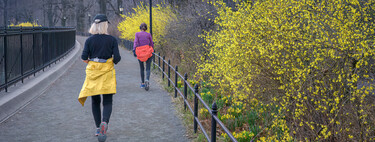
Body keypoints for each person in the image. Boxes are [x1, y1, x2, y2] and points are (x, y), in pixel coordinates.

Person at [78, 14, 121, 142]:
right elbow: (117, 59)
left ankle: (98, 127)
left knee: (95, 101)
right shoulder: (112, 40)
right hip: (107, 72)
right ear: (105, 25)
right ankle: (105, 123)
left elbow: (84, 57)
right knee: (107, 101)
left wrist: (92, 63)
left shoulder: (89, 40)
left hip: (93, 73)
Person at [133, 23, 154, 91]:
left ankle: (142, 83)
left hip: (140, 52)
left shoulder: (137, 34)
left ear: (140, 27)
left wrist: (134, 49)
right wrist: (152, 49)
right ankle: (147, 79)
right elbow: (151, 43)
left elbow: (135, 42)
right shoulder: (148, 34)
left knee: (141, 68)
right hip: (147, 51)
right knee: (148, 68)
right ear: (146, 28)